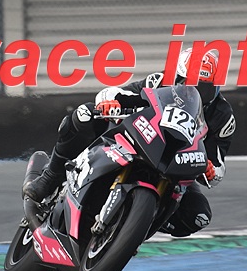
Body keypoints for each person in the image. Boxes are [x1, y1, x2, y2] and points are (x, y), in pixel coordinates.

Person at [23, 47, 236, 237]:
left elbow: (218, 166)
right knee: (84, 114)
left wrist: (211, 170)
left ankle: (135, 226)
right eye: (188, 84)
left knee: (198, 216)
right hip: (139, 140)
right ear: (177, 77)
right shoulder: (158, 82)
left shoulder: (223, 116)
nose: (195, 92)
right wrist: (112, 102)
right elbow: (119, 93)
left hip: (175, 167)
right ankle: (50, 178)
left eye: (204, 88)